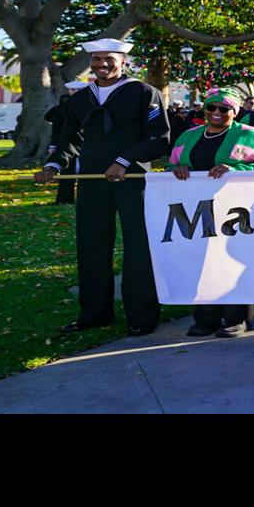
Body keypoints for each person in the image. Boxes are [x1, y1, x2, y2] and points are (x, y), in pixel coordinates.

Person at [34, 37, 170, 337]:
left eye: (109, 59)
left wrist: (123, 161)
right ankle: (95, 314)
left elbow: (159, 138)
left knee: (138, 248)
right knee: (91, 246)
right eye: (97, 60)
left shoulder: (143, 92)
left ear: (123, 63)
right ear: (90, 64)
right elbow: (70, 139)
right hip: (91, 181)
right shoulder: (81, 98)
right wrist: (53, 166)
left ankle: (142, 316)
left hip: (133, 180)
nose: (102, 65)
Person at [167, 90, 254, 338]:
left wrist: (237, 168)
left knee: (232, 260)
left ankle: (237, 318)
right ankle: (206, 318)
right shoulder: (189, 135)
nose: (216, 113)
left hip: (237, 209)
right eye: (211, 108)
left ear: (235, 111)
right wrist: (178, 168)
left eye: (224, 109)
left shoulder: (250, 135)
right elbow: (171, 164)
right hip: (197, 209)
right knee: (200, 260)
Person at [46, 82, 87, 204]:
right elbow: (54, 124)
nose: (74, 92)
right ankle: (65, 198)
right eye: (72, 90)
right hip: (68, 143)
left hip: (86, 144)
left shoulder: (88, 105)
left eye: (77, 89)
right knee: (67, 171)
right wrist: (54, 145)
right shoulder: (63, 108)